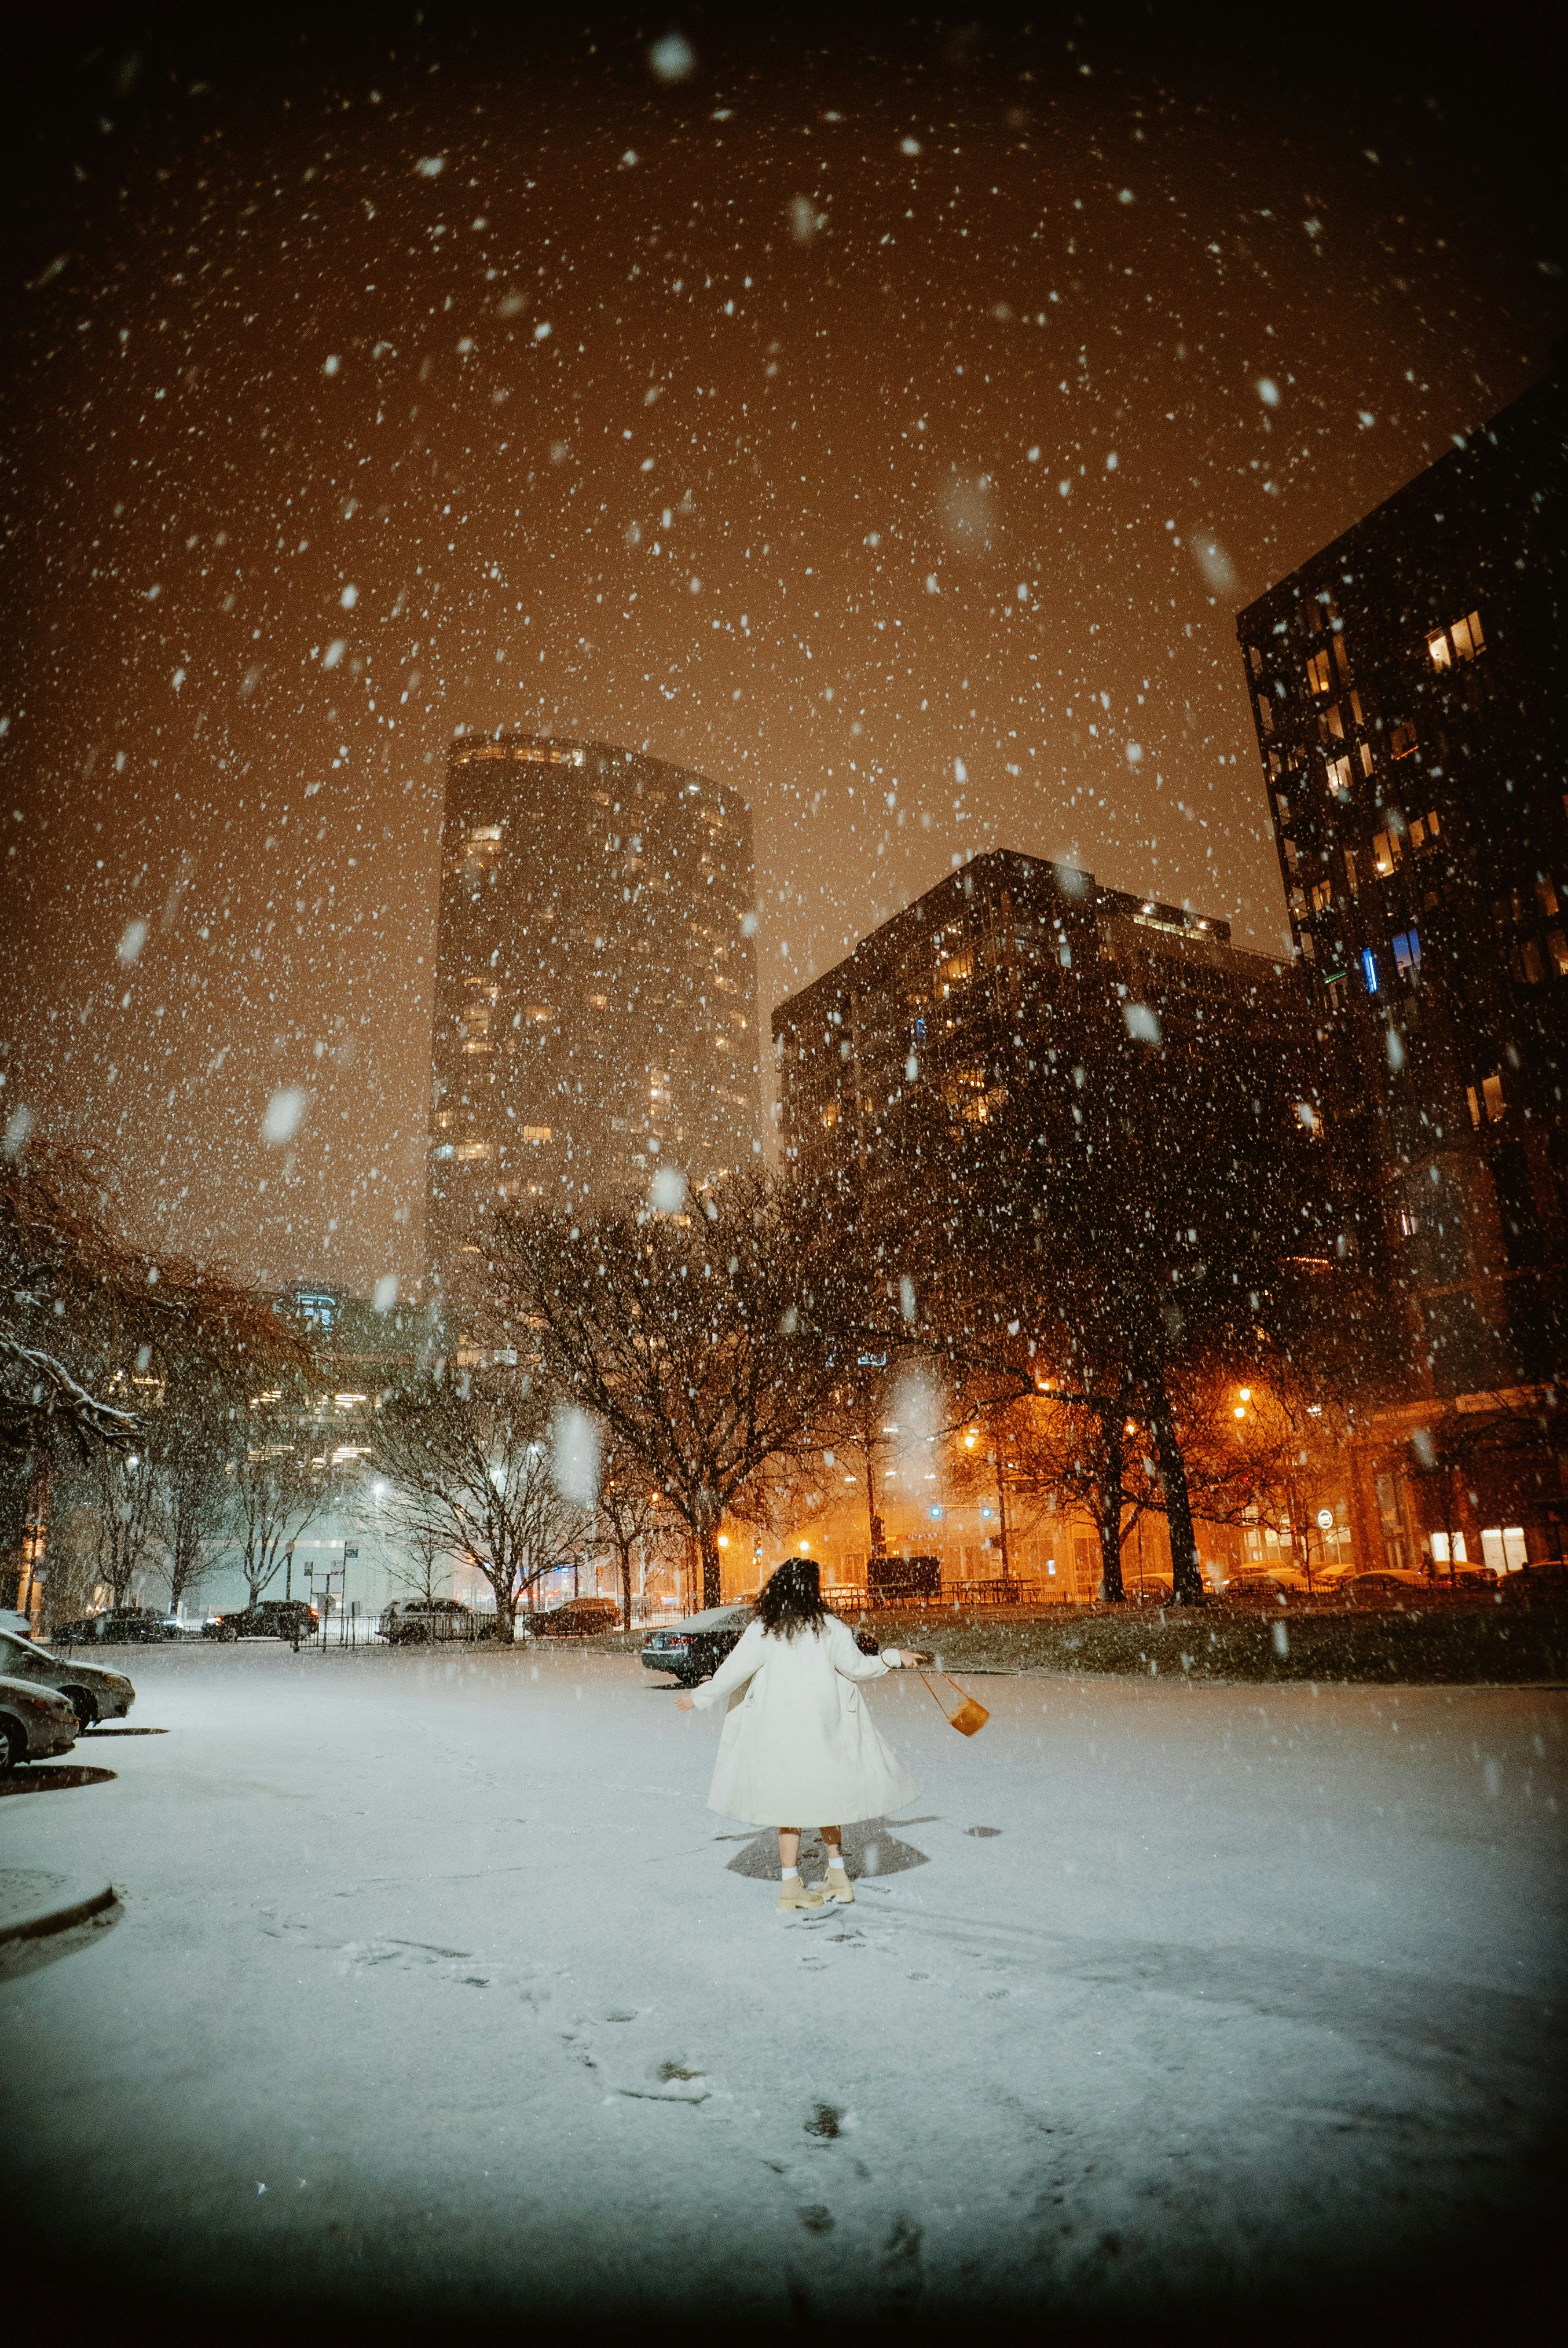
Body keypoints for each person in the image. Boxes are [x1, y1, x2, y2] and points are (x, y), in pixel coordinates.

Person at [676, 1559, 931, 1911]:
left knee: (789, 1807)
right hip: (824, 1731)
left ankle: (791, 1886)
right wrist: (893, 1657)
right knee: (827, 1800)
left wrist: (698, 1697)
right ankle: (838, 1877)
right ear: (813, 1591)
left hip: (780, 1734)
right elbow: (857, 1668)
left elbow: (733, 1671)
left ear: (779, 1587)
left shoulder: (766, 1628)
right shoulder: (829, 1627)